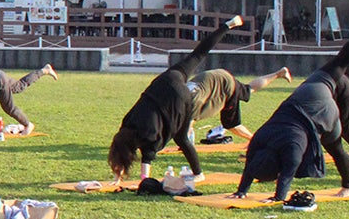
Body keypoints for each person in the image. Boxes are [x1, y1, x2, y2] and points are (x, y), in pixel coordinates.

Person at [232, 18, 349, 202]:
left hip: (323, 112)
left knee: (336, 148)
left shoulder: (292, 149)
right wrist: (242, 190)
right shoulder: (259, 139)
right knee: (339, 62)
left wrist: (277, 197)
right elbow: (251, 162)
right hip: (309, 91)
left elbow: (287, 174)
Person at [106, 16, 253, 184]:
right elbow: (124, 148)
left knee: (182, 138)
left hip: (179, 98)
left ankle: (198, 173)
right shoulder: (127, 122)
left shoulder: (147, 134)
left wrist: (143, 180)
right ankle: (227, 25)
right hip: (167, 80)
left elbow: (147, 157)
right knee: (198, 54)